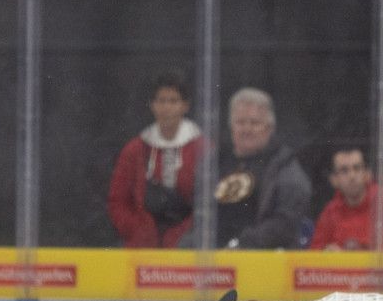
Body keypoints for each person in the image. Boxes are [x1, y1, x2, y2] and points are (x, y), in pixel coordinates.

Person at [107, 71, 204, 249]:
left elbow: (207, 204)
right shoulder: (135, 149)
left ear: (185, 106)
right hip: (141, 246)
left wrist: (183, 235)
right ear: (152, 105)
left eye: (173, 101)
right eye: (161, 101)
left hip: (187, 246)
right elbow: (118, 201)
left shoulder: (203, 149)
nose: (166, 108)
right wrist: (138, 231)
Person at [214, 87, 309, 249]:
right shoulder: (216, 162)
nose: (247, 129)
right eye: (240, 122)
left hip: (263, 259)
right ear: (231, 127)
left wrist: (239, 246)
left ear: (269, 128)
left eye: (254, 123)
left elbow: (284, 224)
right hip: (213, 258)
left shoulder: (284, 166)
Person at [308, 147, 383, 252]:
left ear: (367, 174)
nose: (352, 176)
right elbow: (314, 255)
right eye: (344, 170)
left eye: (357, 168)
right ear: (334, 180)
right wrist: (327, 252)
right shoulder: (330, 211)